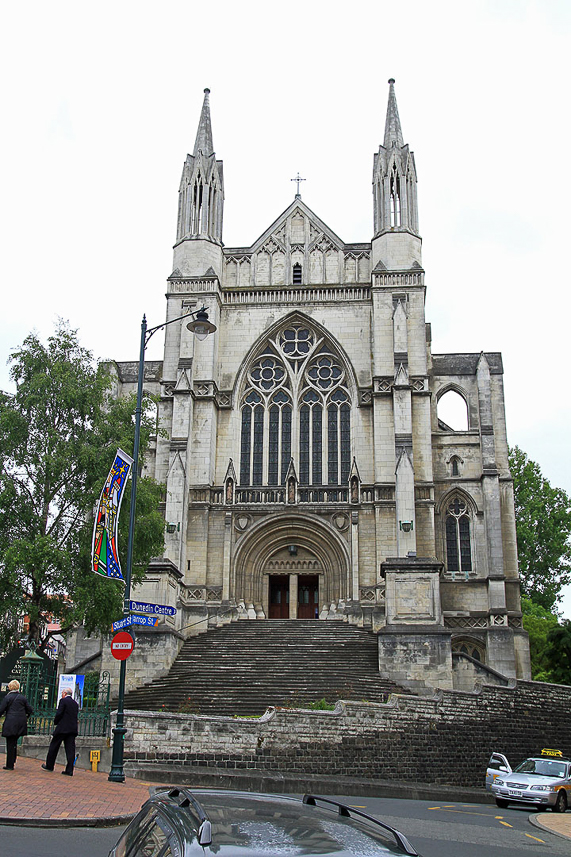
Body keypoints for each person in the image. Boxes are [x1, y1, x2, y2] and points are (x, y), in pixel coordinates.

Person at [41, 687, 79, 776]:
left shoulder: (63, 701)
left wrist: (56, 722)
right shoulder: (75, 704)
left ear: (65, 694)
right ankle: (69, 770)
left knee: (54, 746)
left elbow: (59, 713)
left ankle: (49, 765)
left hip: (62, 728)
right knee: (70, 750)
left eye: (62, 693)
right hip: (72, 729)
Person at [0, 679, 33, 770]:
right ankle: (13, 760)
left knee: (10, 743)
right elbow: (30, 709)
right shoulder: (22, 698)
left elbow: (1, 709)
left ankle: (9, 764)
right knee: (14, 742)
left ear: (10, 687)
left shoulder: (7, 697)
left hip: (10, 722)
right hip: (21, 723)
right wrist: (26, 716)